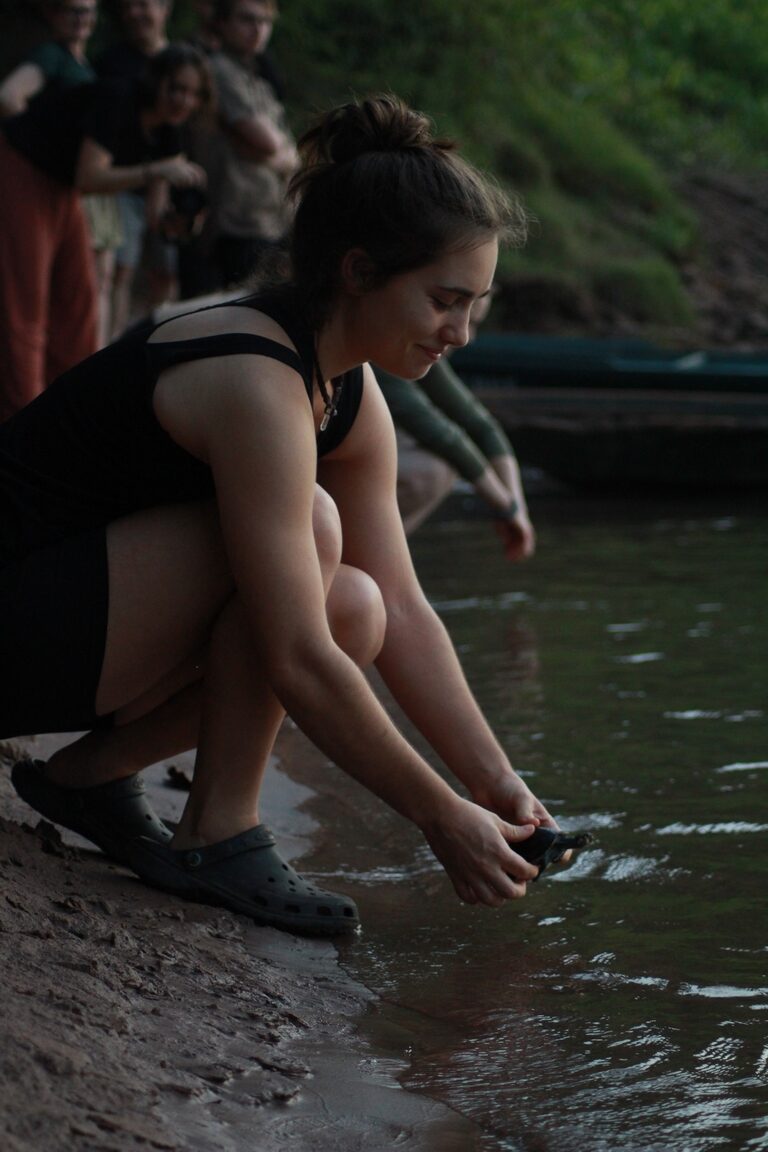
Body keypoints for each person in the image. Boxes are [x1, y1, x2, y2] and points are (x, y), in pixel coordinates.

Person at [2, 94, 560, 938]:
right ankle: (218, 830)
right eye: (446, 300)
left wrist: (497, 784)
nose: (462, 333)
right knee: (317, 530)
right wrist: (441, 816)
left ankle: (91, 775)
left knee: (358, 606)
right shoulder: (254, 378)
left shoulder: (346, 389)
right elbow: (296, 656)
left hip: (74, 633)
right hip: (19, 617)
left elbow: (405, 608)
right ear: (358, 271)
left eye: (475, 306)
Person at [0, 43, 210, 420]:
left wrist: (182, 223)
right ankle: (22, 417)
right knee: (26, 303)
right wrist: (155, 171)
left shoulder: (168, 130)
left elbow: (156, 217)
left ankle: (72, 409)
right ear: (157, 81)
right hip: (23, 166)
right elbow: (90, 176)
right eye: (176, 88)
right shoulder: (118, 98)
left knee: (79, 301)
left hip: (63, 188)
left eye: (193, 93)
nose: (183, 100)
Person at [375, 290, 536, 555]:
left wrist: (518, 510)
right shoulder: (385, 344)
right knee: (433, 470)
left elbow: (480, 425)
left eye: (474, 322)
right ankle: (371, 559)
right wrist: (506, 507)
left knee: (444, 467)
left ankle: (381, 560)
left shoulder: (425, 352)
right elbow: (440, 434)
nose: (465, 337)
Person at [207, 0, 297, 288]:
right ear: (222, 23)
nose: (258, 30)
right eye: (247, 20)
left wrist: (271, 154)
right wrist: (276, 153)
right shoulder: (219, 70)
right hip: (238, 221)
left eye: (265, 22)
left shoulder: (259, 80)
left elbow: (292, 156)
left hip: (271, 219)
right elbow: (267, 140)